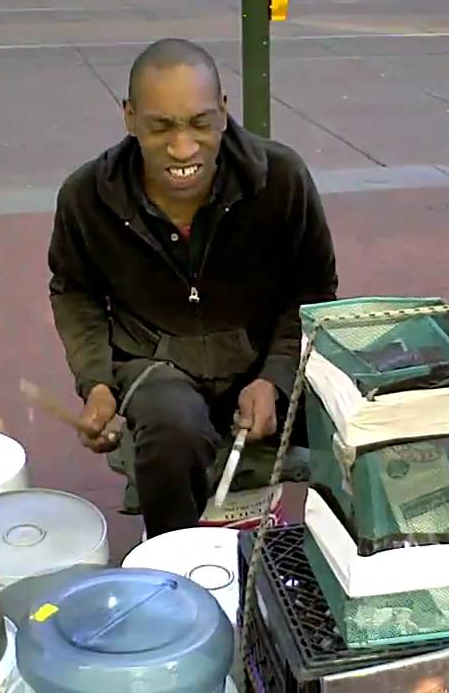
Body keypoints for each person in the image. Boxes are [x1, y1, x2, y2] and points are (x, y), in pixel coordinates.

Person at [47, 38, 339, 538]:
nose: (183, 147)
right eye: (161, 127)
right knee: (172, 426)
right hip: (153, 364)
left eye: (201, 124)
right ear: (130, 118)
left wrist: (275, 378)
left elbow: (312, 290)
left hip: (261, 356)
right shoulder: (86, 195)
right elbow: (75, 291)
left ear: (223, 111)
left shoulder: (281, 179)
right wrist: (96, 383)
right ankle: (173, 557)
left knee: (366, 415)